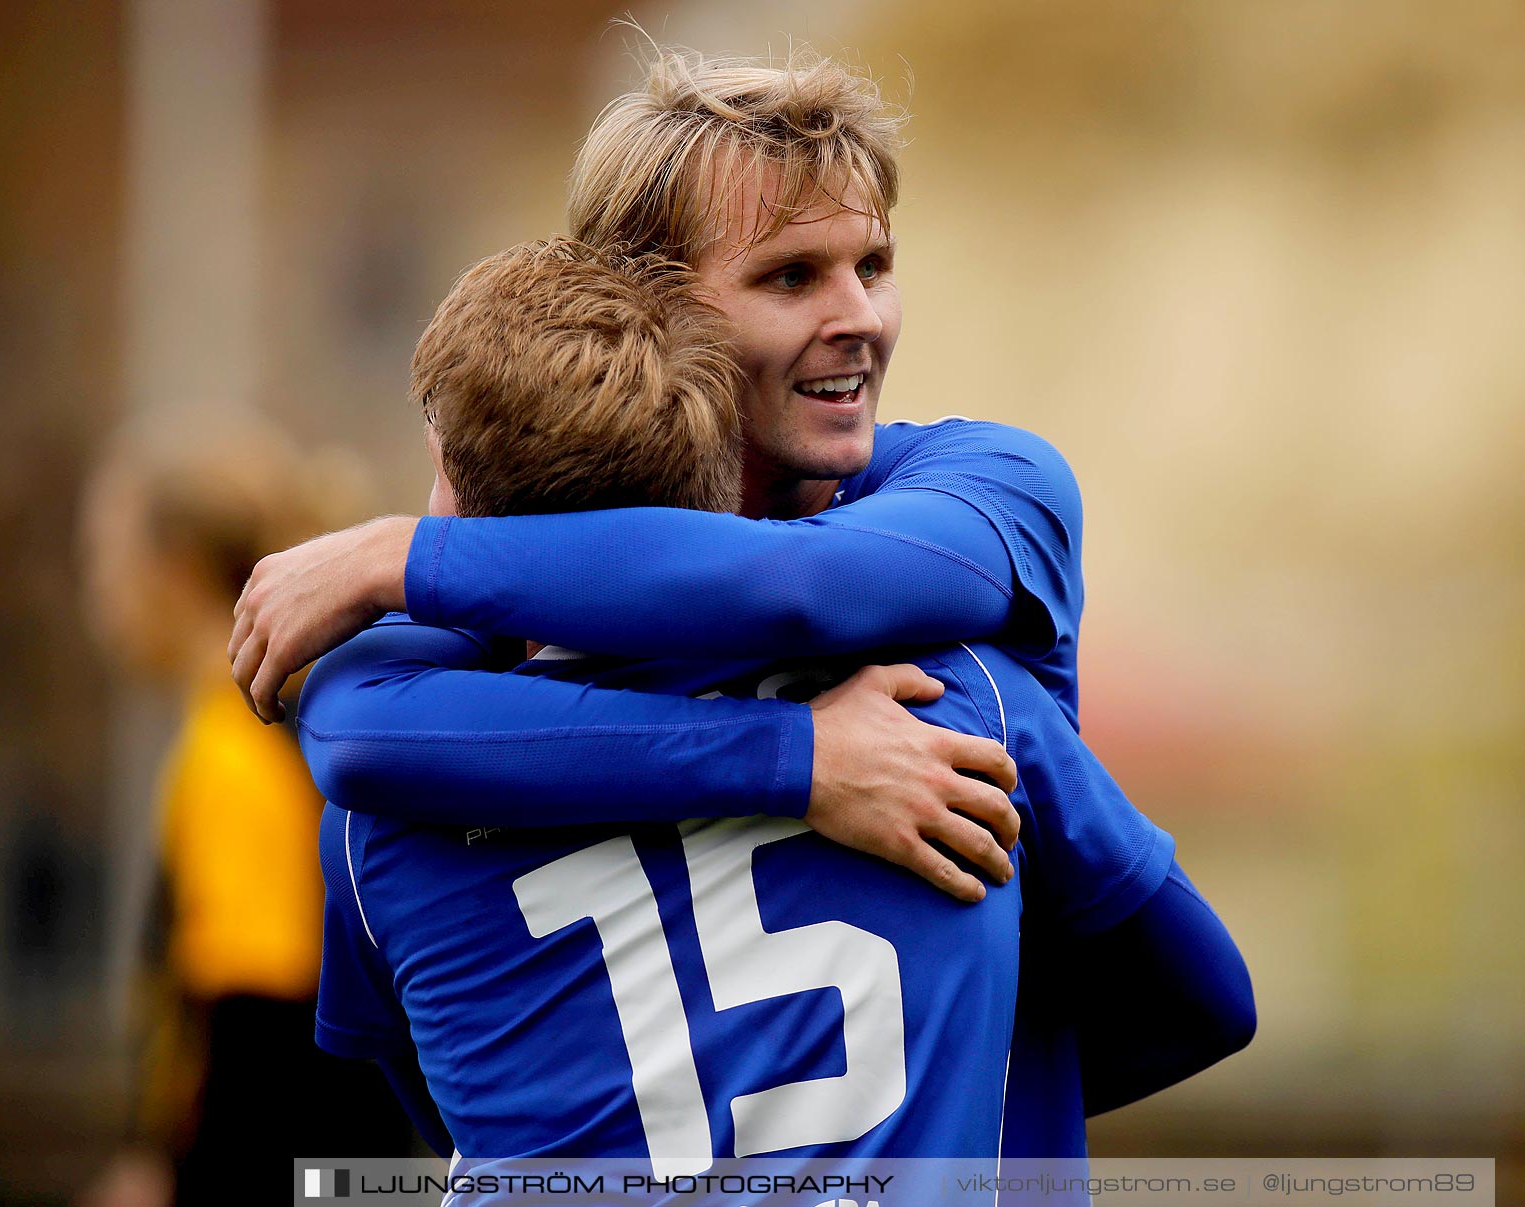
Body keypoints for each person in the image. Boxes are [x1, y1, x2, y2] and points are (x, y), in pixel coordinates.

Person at [233, 43, 1252, 1151]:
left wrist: (405, 553)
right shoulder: (956, 696)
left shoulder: (988, 488)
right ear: (654, 308)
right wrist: (800, 763)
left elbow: (795, 589)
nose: (859, 313)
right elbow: (353, 723)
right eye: (791, 277)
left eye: (875, 264)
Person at [78, 424, 412, 1207]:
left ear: (175, 569)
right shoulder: (286, 720)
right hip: (340, 1167)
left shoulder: (230, 750)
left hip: (277, 1169)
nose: (95, 585)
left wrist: (164, 1171)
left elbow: (259, 1019)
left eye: (105, 555)